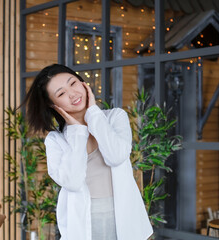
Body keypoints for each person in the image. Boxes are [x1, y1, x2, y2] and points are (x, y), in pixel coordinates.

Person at [22, 64, 153, 240]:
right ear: (53, 105)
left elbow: (116, 156)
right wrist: (77, 131)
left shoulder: (115, 117)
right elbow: (73, 182)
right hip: (84, 221)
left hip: (124, 216)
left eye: (73, 83)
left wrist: (92, 112)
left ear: (83, 83)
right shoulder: (56, 140)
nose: (72, 94)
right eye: (61, 93)